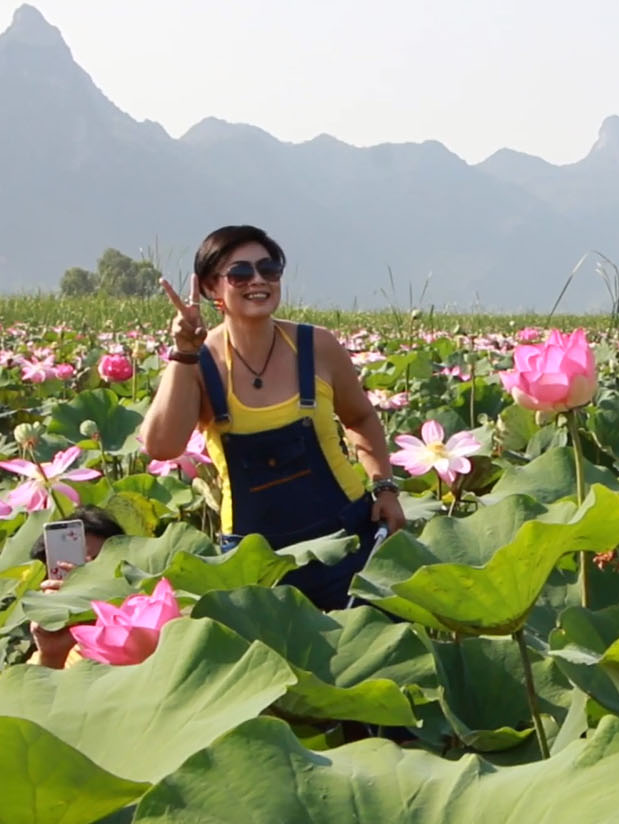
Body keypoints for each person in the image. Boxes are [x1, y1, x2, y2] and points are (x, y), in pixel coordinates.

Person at [140, 225, 406, 611]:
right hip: (256, 559)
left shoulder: (319, 346)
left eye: (270, 269)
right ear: (214, 289)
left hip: (346, 539)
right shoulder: (199, 362)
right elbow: (162, 447)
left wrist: (385, 487)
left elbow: (361, 418)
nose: (258, 281)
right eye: (241, 274)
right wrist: (183, 353)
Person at [28, 505, 126, 668]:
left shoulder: (157, 631)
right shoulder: (43, 659)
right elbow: (44, 693)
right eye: (76, 565)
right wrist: (52, 657)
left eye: (97, 563)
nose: (84, 575)